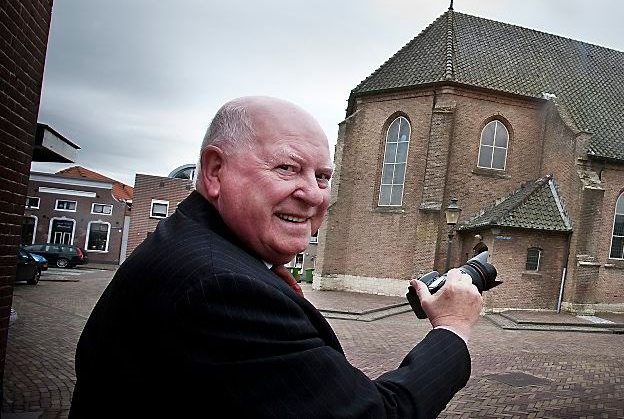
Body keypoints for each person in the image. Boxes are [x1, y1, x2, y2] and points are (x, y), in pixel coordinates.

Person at [70, 96, 482, 418]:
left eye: (322, 176)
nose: (315, 194)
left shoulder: (197, 245)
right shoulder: (220, 288)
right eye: (287, 168)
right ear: (215, 171)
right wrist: (451, 328)